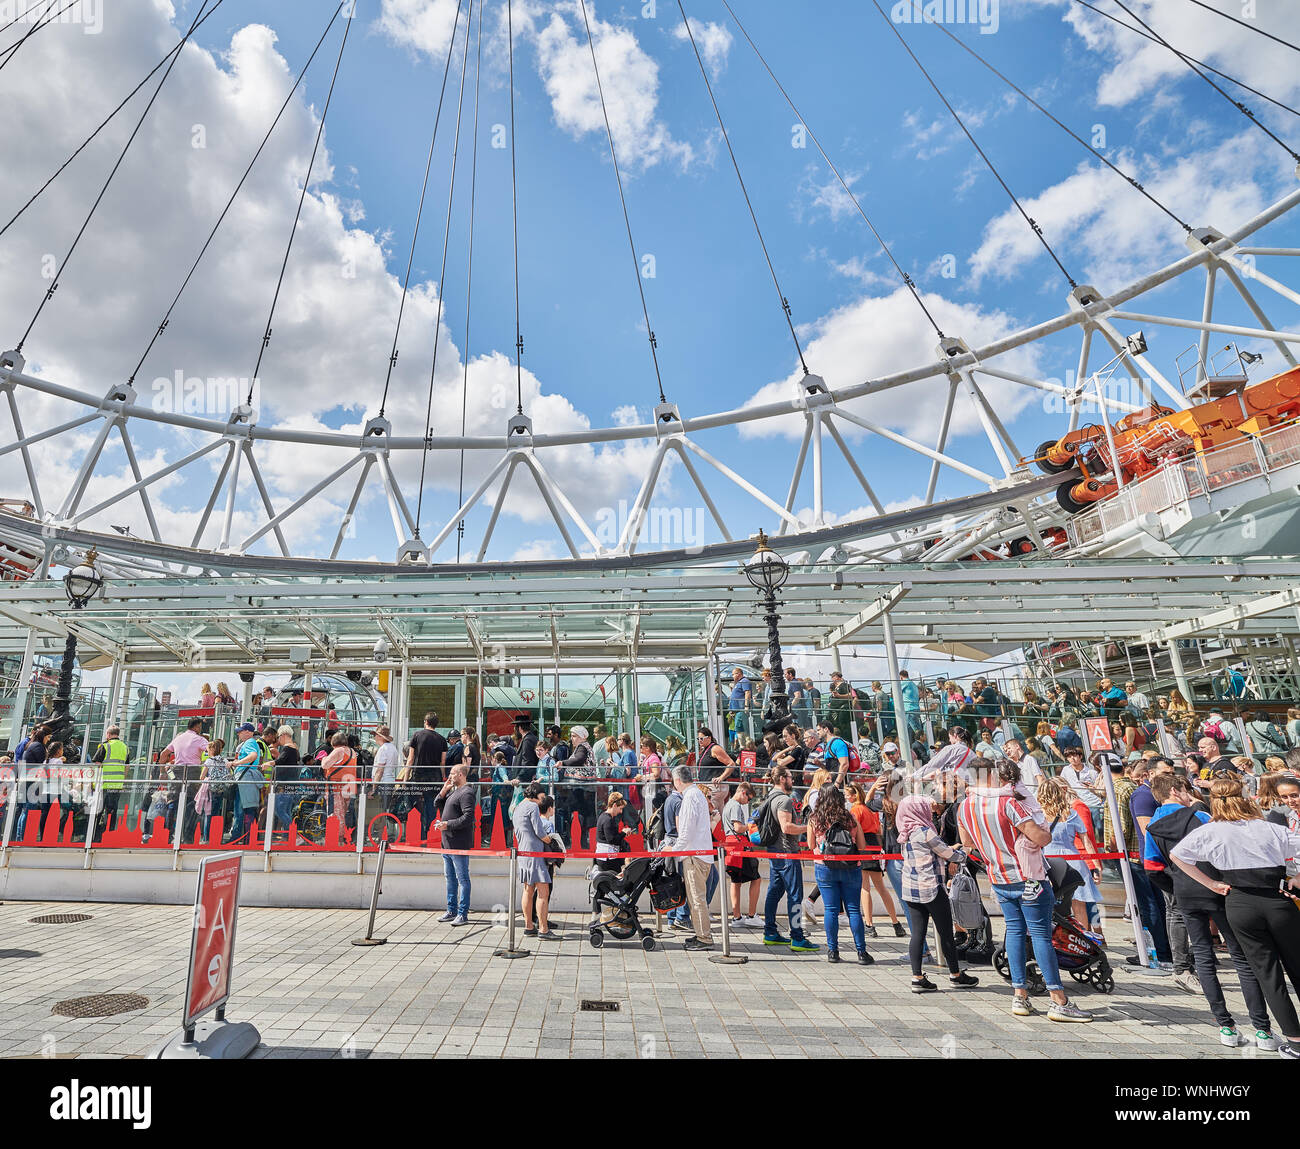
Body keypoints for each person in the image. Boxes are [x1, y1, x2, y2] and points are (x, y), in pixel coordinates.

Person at [1171, 778, 1300, 1059]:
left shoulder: (1211, 831)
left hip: (1240, 903)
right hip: (1276, 899)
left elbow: (1177, 856)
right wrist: (1297, 878)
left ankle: (1296, 1041)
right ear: (1245, 797)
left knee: (1268, 975)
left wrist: (1211, 884)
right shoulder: (1268, 828)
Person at [1146, 772, 1276, 1049]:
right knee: (1241, 959)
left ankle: (1225, 1026)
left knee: (1203, 957)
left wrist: (1176, 885)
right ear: (1178, 789)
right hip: (1221, 889)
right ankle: (1262, 1029)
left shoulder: (1153, 825)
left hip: (1185, 893)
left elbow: (1152, 868)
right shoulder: (1202, 818)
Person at [957, 759, 1092, 1022]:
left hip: (999, 877)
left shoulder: (964, 806)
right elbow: (1041, 838)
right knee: (1041, 936)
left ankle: (1020, 995)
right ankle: (1058, 1000)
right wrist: (1044, 831)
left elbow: (967, 842)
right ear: (992, 774)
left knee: (1015, 933)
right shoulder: (1008, 803)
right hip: (1028, 877)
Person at [896, 793, 979, 991]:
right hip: (931, 888)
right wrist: (965, 853)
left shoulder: (904, 833)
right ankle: (955, 975)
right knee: (945, 933)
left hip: (910, 889)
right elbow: (948, 853)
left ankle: (917, 978)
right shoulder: (925, 831)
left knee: (917, 934)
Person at [807, 782, 873, 965]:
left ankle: (833, 951)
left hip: (824, 866)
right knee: (853, 909)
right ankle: (861, 952)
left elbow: (811, 845)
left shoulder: (814, 819)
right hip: (851, 866)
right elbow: (862, 846)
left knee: (831, 909)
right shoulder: (850, 817)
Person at [760, 764, 818, 953]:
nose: (793, 781)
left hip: (775, 852)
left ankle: (770, 932)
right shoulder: (784, 800)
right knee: (795, 895)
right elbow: (786, 827)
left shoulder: (769, 797)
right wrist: (808, 827)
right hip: (786, 853)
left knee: (774, 892)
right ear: (783, 779)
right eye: (791, 777)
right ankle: (797, 937)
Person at [1038, 777, 1102, 930]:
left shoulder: (1038, 816)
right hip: (1073, 862)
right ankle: (1086, 941)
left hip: (1048, 863)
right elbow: (1087, 841)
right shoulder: (1071, 814)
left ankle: (1056, 940)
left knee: (1049, 905)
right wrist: (1096, 865)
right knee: (1079, 906)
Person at [845, 780, 904, 938]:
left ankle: (869, 924)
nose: (846, 797)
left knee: (865, 887)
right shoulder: (870, 810)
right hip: (875, 846)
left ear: (853, 796)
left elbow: (853, 829)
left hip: (863, 845)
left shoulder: (856, 809)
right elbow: (878, 830)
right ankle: (896, 923)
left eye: (847, 795)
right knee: (881, 887)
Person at [671, 765, 715, 951]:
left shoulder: (689, 797)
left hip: (694, 855)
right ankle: (700, 933)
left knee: (696, 899)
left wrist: (673, 850)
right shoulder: (697, 794)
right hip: (701, 853)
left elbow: (686, 831)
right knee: (696, 898)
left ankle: (704, 937)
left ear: (678, 781)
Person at [512, 782, 559, 939]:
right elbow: (539, 830)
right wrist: (550, 841)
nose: (542, 800)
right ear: (536, 794)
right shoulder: (532, 807)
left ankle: (528, 926)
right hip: (535, 853)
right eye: (542, 796)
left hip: (523, 852)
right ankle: (544, 930)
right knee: (543, 892)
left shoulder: (518, 807)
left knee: (528, 890)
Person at [434, 764, 476, 926]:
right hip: (447, 843)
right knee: (450, 878)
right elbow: (437, 804)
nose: (449, 776)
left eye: (452, 774)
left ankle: (462, 913)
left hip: (458, 843)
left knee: (462, 878)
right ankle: (451, 910)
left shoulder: (467, 792)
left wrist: (448, 824)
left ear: (460, 775)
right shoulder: (453, 791)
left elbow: (468, 818)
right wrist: (444, 790)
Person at [723, 781, 761, 926]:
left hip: (731, 845)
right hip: (739, 844)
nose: (747, 802)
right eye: (749, 799)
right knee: (756, 879)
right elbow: (738, 828)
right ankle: (751, 915)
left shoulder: (728, 805)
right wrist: (752, 826)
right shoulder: (735, 805)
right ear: (743, 792)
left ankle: (737, 917)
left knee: (735, 881)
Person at [406, 712, 448, 840]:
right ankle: (429, 832)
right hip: (434, 777)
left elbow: (411, 758)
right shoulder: (441, 739)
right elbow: (442, 762)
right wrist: (442, 777)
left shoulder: (417, 735)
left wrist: (405, 777)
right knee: (431, 804)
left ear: (425, 722)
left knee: (414, 803)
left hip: (419, 776)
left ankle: (417, 833)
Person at [90, 724, 130, 840]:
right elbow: (127, 767)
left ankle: (93, 837)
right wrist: (122, 780)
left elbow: (97, 764)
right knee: (112, 811)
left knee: (98, 811)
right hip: (116, 785)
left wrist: (93, 783)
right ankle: (109, 836)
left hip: (103, 784)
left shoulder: (105, 746)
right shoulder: (125, 747)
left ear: (108, 734)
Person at [595, 791, 629, 874]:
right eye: (620, 808)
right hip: (608, 858)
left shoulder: (604, 817)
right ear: (614, 805)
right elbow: (611, 839)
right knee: (615, 881)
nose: (620, 812)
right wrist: (623, 833)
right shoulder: (608, 820)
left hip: (605, 857)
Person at [370, 725, 398, 813]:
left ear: (379, 736)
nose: (374, 737)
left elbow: (380, 770)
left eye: (375, 735)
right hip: (389, 781)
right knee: (386, 810)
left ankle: (383, 827)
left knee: (380, 811)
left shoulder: (383, 749)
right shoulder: (393, 748)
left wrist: (374, 788)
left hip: (382, 783)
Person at [727, 666, 754, 745]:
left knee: (742, 729)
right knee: (739, 729)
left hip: (742, 710)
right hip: (737, 711)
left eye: (733, 674)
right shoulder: (738, 683)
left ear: (738, 674)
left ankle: (745, 746)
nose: (732, 676)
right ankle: (743, 746)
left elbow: (747, 692)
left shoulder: (744, 681)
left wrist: (746, 706)